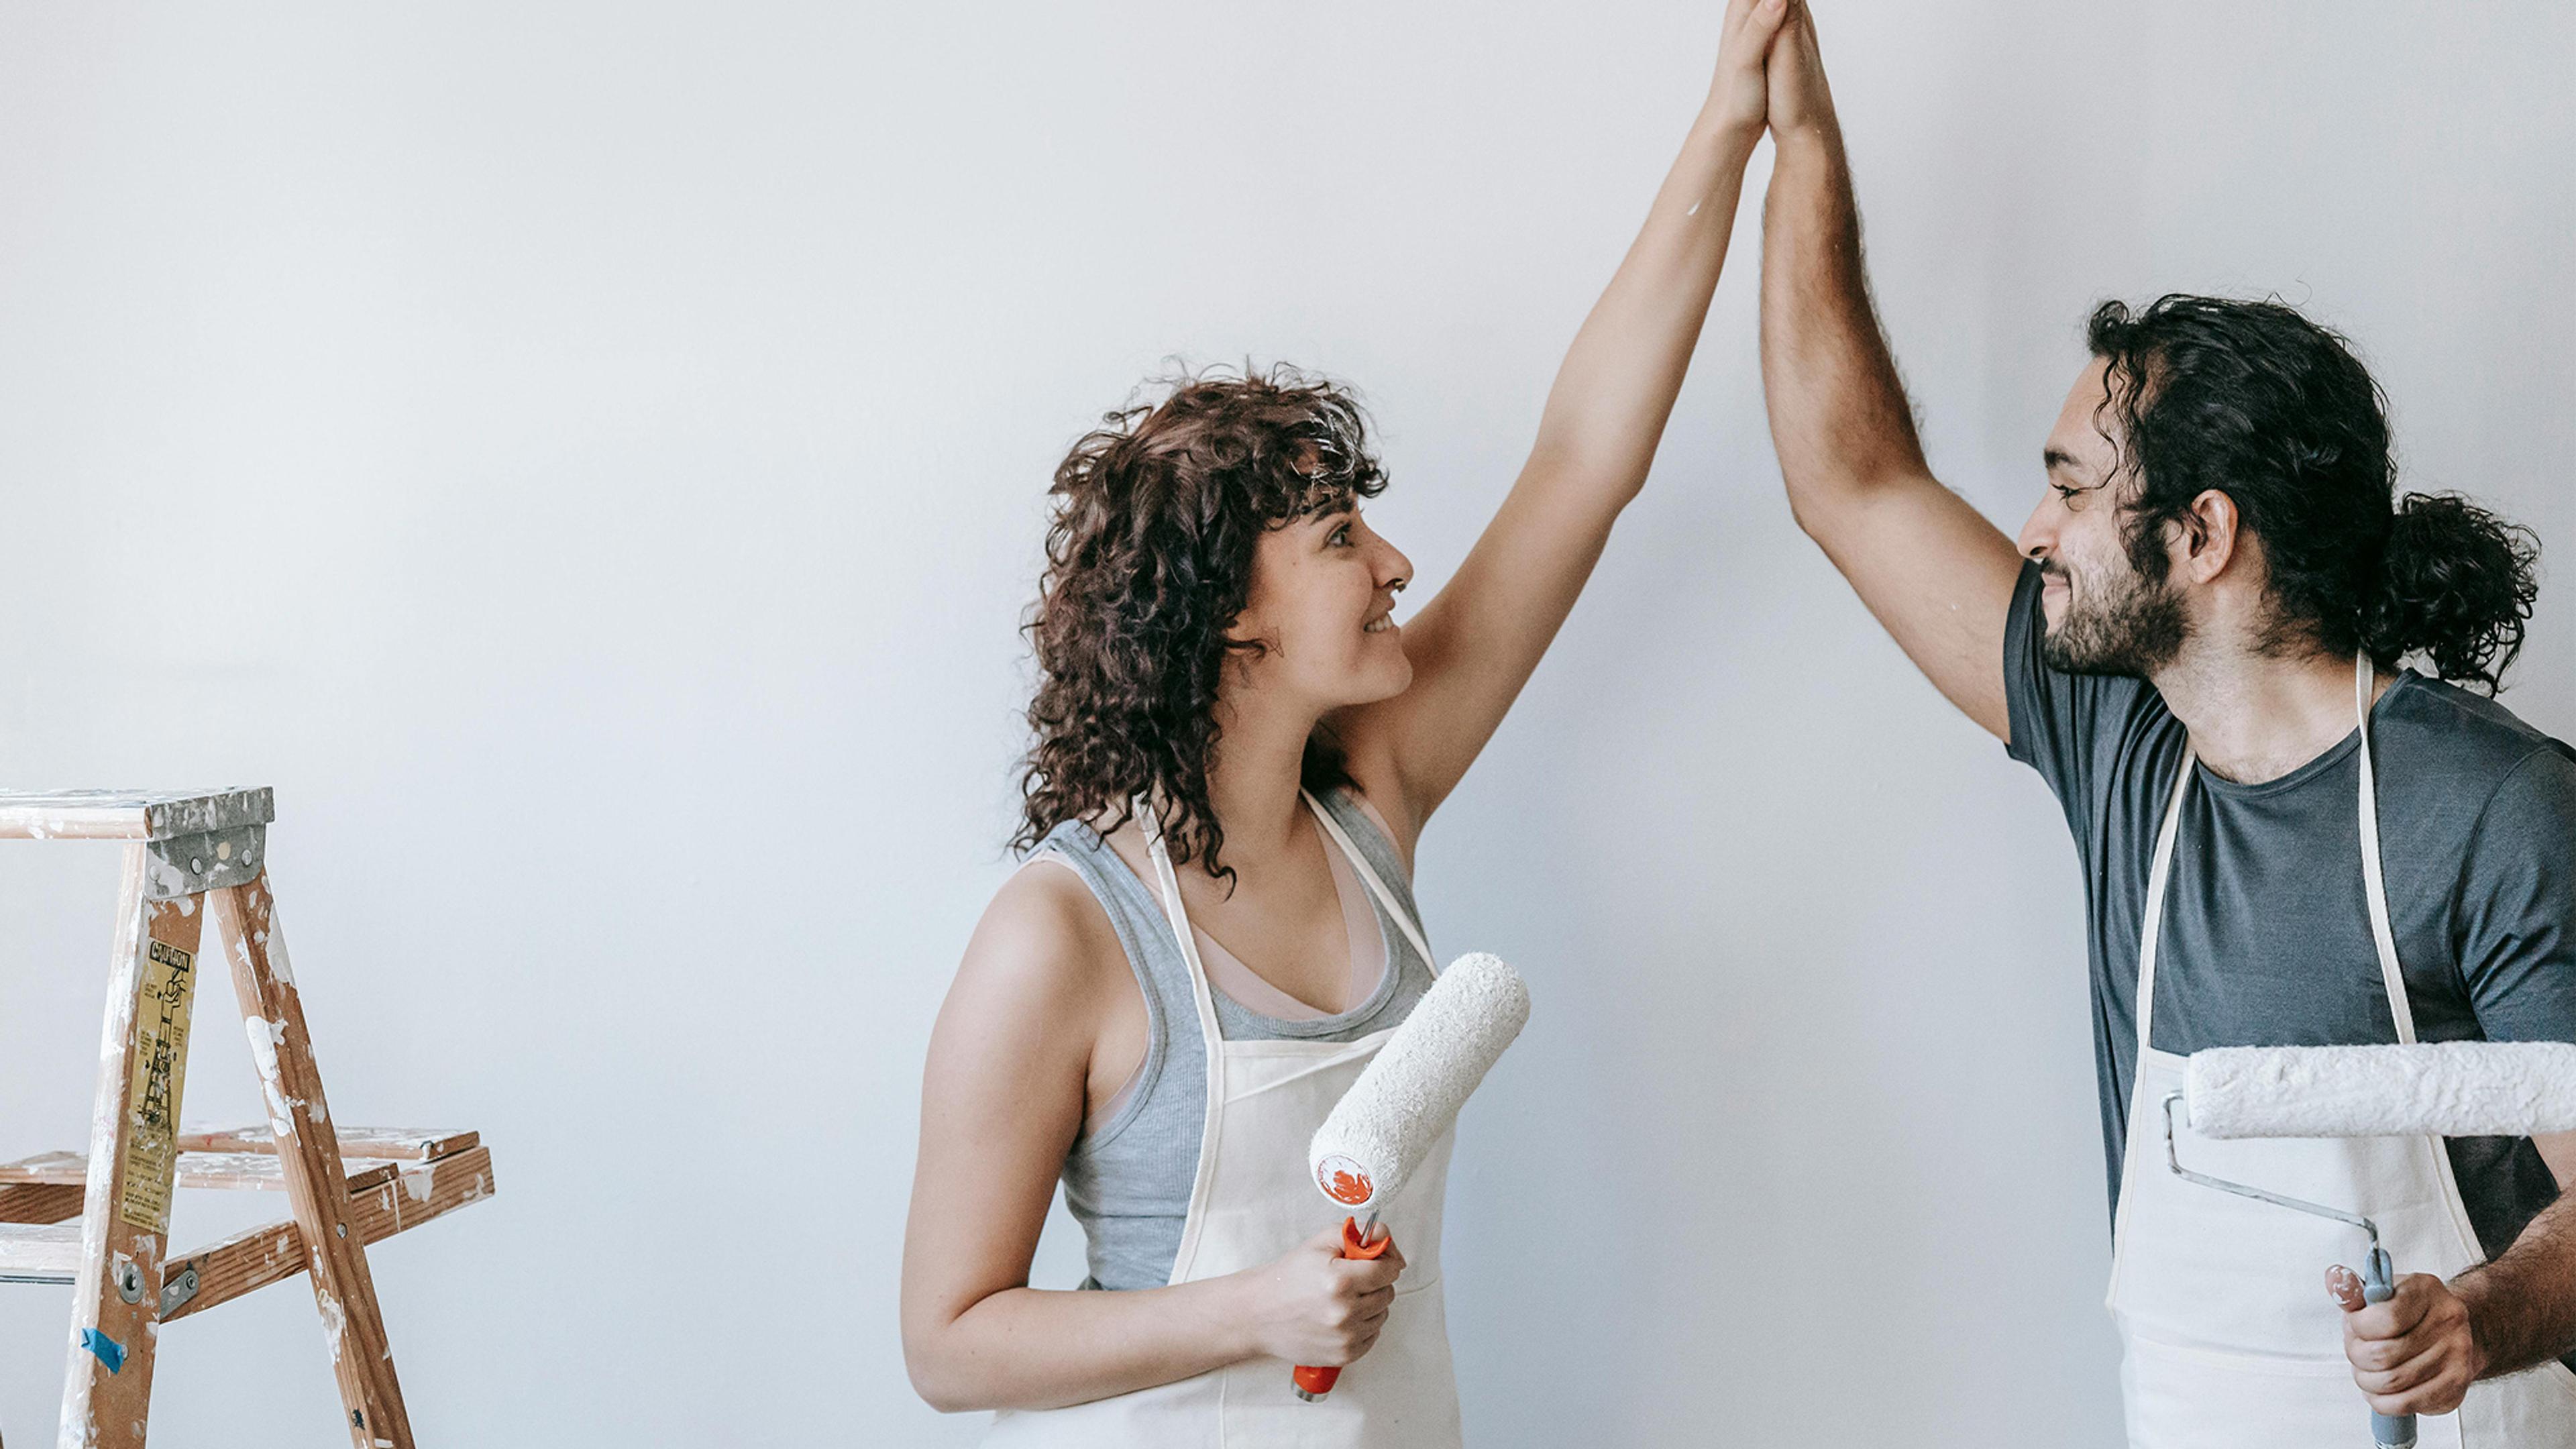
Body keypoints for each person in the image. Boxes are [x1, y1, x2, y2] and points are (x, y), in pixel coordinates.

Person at [898, 1, 1796, 1440]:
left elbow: (1581, 465)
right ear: (1228, 613)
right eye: (1337, 540)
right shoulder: (1062, 935)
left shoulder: (1370, 802)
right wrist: (1254, 1310)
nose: (1395, 567)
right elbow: (948, 1340)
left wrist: (1731, 126)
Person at [1752, 4, 2576, 1440]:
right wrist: (1800, 136)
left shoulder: (2494, 810)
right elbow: (1852, 478)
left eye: (2071, 490)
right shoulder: (2117, 740)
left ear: (2201, 536)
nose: (2032, 531)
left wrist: (2472, 1320)